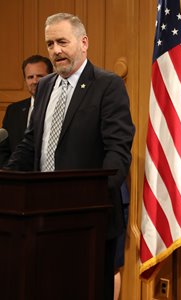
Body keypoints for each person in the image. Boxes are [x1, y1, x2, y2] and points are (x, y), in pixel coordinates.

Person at [4, 13, 135, 300]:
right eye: (50, 44)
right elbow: (30, 144)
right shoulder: (46, 85)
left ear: (83, 42)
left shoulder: (107, 85)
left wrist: (94, 198)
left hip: (88, 220)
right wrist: (7, 181)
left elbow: (118, 150)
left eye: (62, 42)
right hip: (41, 219)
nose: (55, 51)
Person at [0, 55, 53, 167]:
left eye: (40, 76)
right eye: (30, 77)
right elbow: (4, 149)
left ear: (51, 78)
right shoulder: (13, 111)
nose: (35, 81)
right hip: (18, 178)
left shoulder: (59, 108)